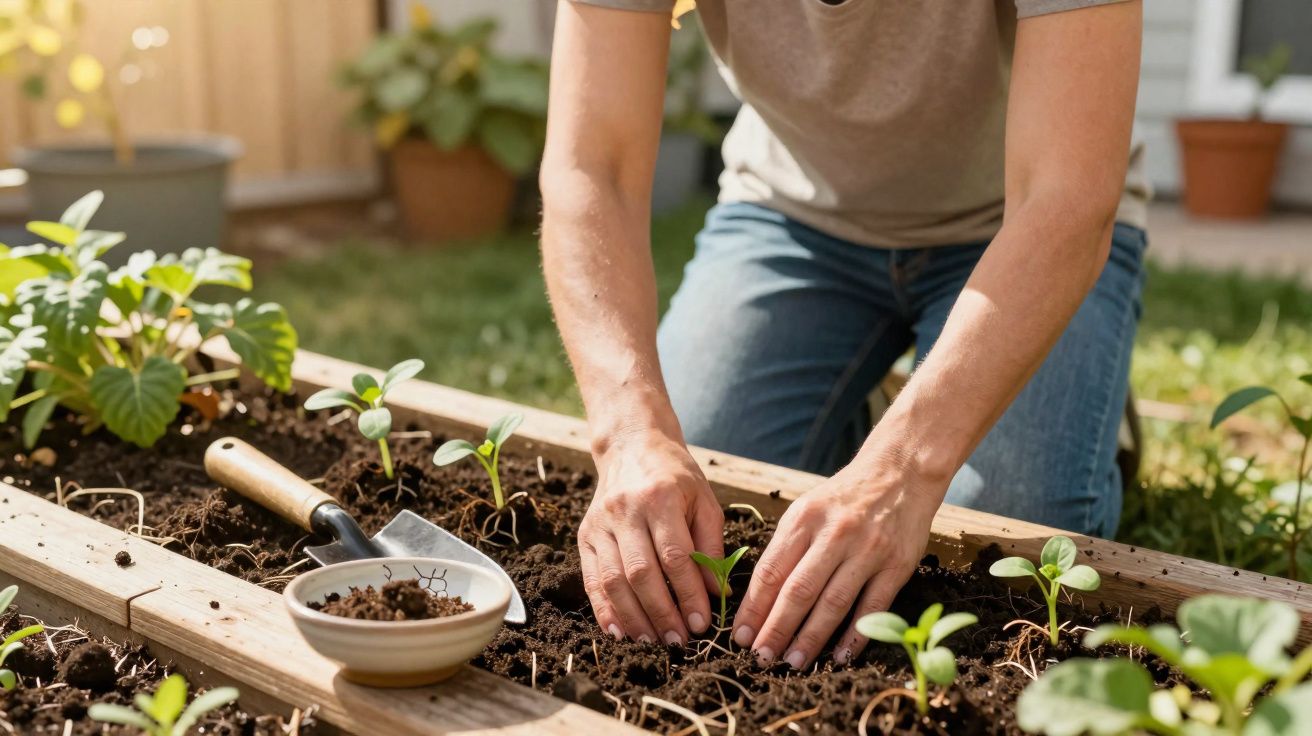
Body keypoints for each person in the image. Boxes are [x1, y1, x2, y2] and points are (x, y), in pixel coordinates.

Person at [539, 0, 1146, 670]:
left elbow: (1066, 194)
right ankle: (871, 413)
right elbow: (594, 166)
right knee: (698, 497)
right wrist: (629, 432)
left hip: (1022, 219)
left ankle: (1073, 388)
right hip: (793, 212)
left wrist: (905, 469)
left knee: (1000, 522)